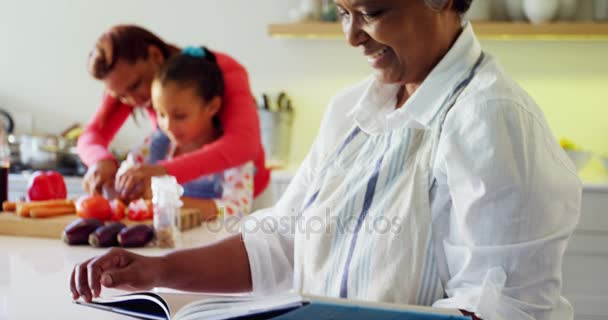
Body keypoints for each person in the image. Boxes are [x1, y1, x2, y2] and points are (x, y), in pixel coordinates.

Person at [70, 1, 581, 319]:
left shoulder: (490, 118)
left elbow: (506, 310)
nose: (352, 35)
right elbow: (284, 241)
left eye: (372, 12)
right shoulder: (353, 109)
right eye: (342, 12)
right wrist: (155, 271)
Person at [76, 25, 270, 203]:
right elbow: (91, 135)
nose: (134, 101)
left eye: (136, 86)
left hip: (246, 198)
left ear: (155, 55)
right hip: (182, 200)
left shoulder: (220, 71)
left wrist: (163, 171)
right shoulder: (126, 83)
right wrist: (100, 161)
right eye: (121, 97)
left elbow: (244, 145)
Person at [121, 46, 254, 219]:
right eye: (161, 114)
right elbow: (128, 172)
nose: (167, 125)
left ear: (212, 107)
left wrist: (165, 201)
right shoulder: (156, 144)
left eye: (180, 116)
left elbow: (236, 210)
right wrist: (125, 184)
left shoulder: (232, 158)